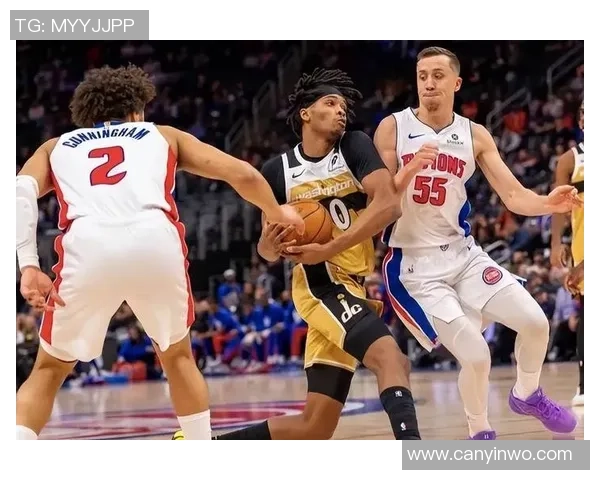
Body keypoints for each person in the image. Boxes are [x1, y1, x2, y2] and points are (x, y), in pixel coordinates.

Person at [15, 65, 303, 441]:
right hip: (154, 240)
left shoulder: (56, 147)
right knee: (177, 356)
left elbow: (19, 194)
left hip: (87, 246)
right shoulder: (162, 135)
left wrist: (28, 265)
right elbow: (242, 174)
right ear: (137, 110)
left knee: (49, 368)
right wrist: (276, 211)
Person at [173, 68, 432, 440]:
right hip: (319, 285)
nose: (341, 111)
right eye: (331, 103)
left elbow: (388, 204)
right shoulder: (277, 171)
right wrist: (271, 244)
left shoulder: (354, 146)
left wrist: (330, 246)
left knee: (315, 427)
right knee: (391, 358)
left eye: (343, 106)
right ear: (305, 113)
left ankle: (204, 447)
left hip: (352, 284)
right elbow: (266, 250)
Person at [374, 46, 582, 440]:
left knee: (535, 322)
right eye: (422, 76)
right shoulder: (393, 128)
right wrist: (409, 169)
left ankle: (527, 394)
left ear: (456, 83)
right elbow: (380, 202)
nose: (428, 83)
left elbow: (514, 195)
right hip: (415, 267)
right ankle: (480, 431)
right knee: (476, 354)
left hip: (463, 255)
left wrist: (547, 202)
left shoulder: (474, 135)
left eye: (437, 75)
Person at [551, 101, 584, 406]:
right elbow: (558, 205)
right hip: (582, 246)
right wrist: (557, 243)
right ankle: (586, 385)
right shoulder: (570, 160)